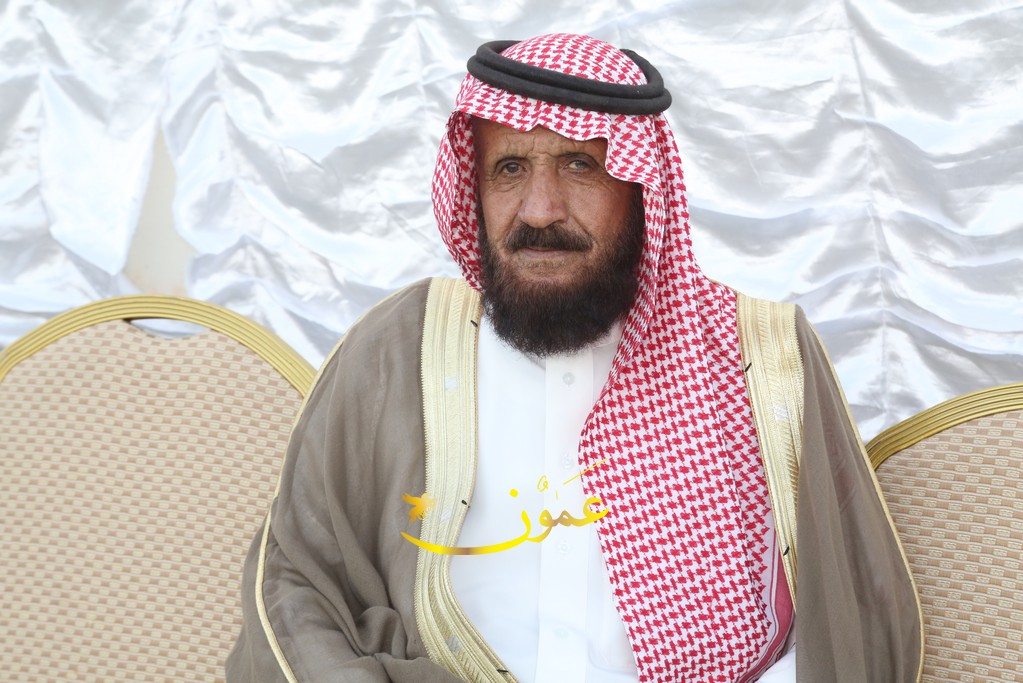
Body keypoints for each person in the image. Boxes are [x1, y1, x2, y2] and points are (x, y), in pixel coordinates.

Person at [226, 33, 923, 682]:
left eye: (580, 165)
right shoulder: (397, 348)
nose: (539, 209)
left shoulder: (763, 356)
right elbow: (297, 584)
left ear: (641, 189)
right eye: (509, 168)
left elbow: (850, 613)